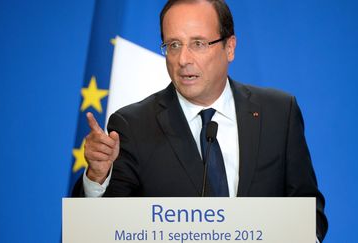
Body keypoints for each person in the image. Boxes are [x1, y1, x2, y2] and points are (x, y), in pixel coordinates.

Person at [72, 0, 328, 241]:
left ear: (230, 47)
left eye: (198, 44)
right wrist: (97, 176)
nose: (183, 60)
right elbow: (99, 231)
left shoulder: (278, 113)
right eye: (173, 45)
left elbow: (308, 210)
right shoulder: (132, 126)